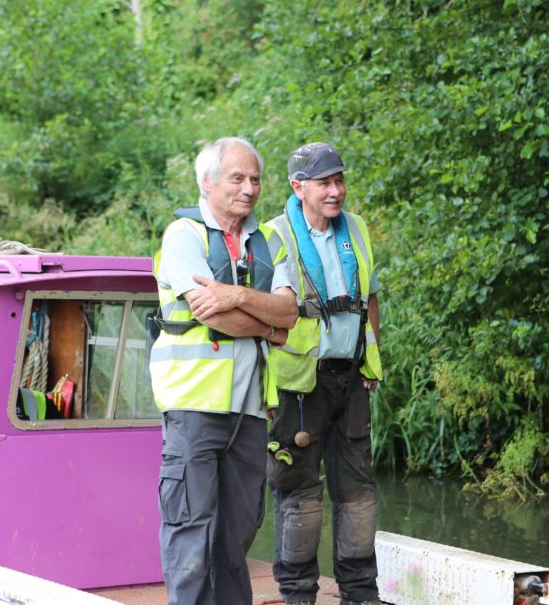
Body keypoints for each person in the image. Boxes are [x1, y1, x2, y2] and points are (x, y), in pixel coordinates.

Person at [150, 136, 298, 605]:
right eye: (237, 178)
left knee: (238, 534)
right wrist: (265, 325)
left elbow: (290, 312)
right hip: (193, 407)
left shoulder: (270, 239)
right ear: (207, 182)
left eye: (255, 178)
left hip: (251, 410)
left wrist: (235, 295)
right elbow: (207, 313)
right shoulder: (184, 236)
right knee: (191, 532)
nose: (250, 188)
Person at [265, 142, 384, 605]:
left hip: (351, 376)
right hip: (298, 385)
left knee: (358, 493)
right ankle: (298, 596)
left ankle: (360, 594)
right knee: (299, 494)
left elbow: (369, 298)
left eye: (339, 181)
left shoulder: (356, 227)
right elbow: (261, 312)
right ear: (298, 188)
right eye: (324, 184)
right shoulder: (274, 235)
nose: (336, 192)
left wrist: (373, 360)